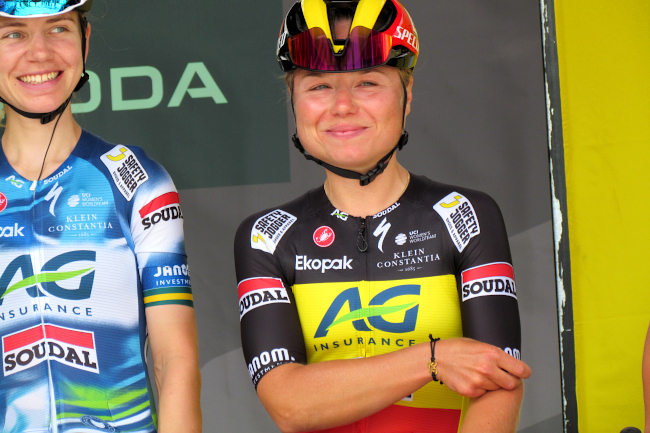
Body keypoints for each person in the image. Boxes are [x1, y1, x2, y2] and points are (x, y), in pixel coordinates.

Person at [235, 0, 531, 432]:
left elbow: (500, 382)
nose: (342, 106)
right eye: (319, 86)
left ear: (407, 95)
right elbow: (290, 405)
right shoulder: (266, 236)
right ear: (293, 102)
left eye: (367, 83)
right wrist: (434, 359)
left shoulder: (467, 216)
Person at [0, 1, 201, 432]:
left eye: (58, 29)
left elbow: (174, 361)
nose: (40, 53)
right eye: (14, 33)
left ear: (85, 41)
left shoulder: (138, 181)